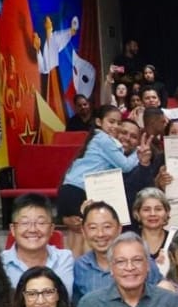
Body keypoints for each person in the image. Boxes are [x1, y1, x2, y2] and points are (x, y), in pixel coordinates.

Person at [58, 105, 151, 255]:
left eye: (118, 123)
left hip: (81, 194)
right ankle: (76, 267)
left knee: (83, 235)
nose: (115, 127)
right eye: (112, 122)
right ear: (99, 122)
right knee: (82, 236)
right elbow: (126, 166)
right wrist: (138, 153)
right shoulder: (104, 140)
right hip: (78, 192)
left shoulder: (101, 141)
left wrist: (143, 160)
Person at [72, 201, 161, 305]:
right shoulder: (80, 266)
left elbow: (163, 294)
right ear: (83, 231)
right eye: (93, 228)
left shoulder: (141, 262)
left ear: (119, 228)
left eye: (107, 226)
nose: (100, 234)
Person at [1, 193, 74, 294]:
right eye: (25, 223)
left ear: (51, 229)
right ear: (13, 229)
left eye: (41, 223)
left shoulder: (64, 259)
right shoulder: (0, 263)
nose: (33, 229)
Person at [131, 187, 173, 277]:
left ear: (167, 212)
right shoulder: (129, 241)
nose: (152, 214)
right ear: (137, 213)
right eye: (146, 209)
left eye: (158, 209)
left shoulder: (174, 241)